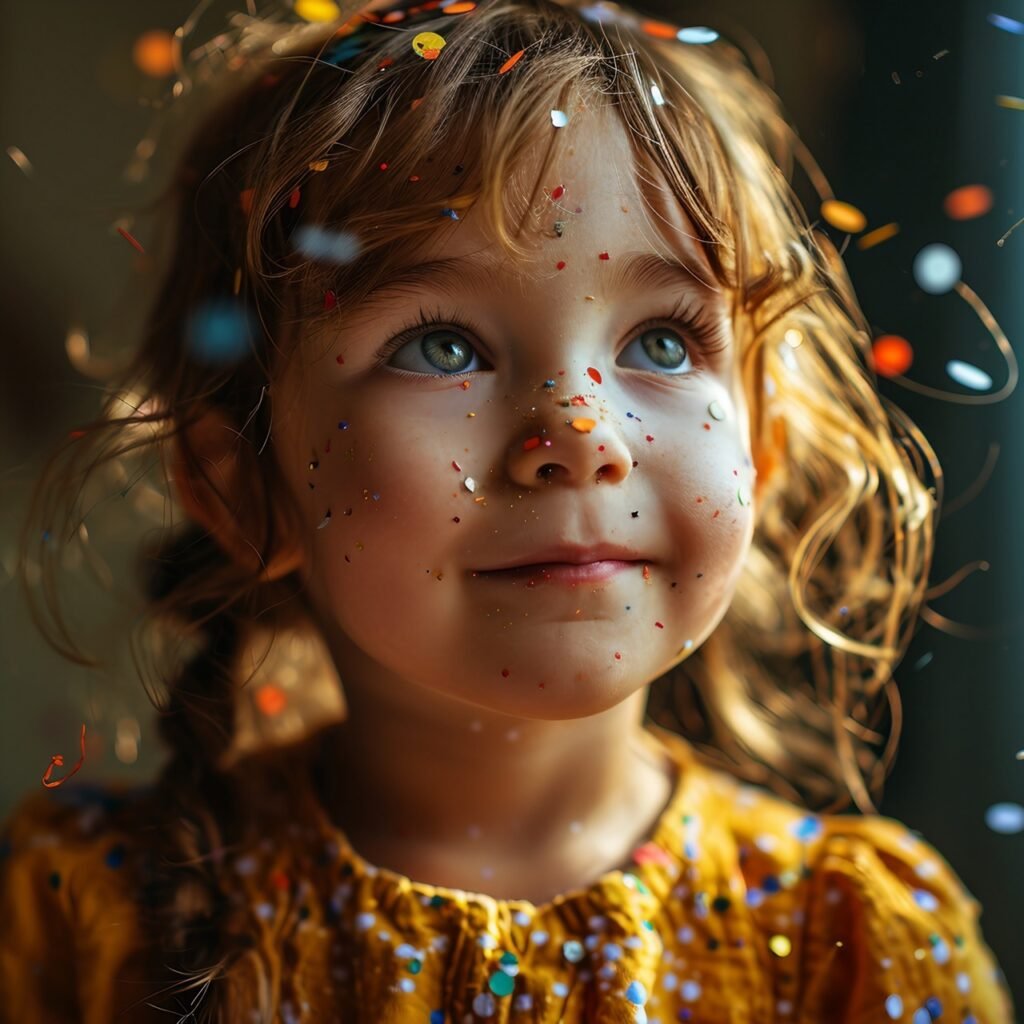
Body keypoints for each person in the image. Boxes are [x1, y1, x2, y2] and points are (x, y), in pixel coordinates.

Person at [0, 0, 1017, 1020]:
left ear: (760, 450)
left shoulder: (860, 944)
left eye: (661, 341)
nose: (581, 433)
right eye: (443, 344)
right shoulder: (76, 918)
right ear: (244, 488)